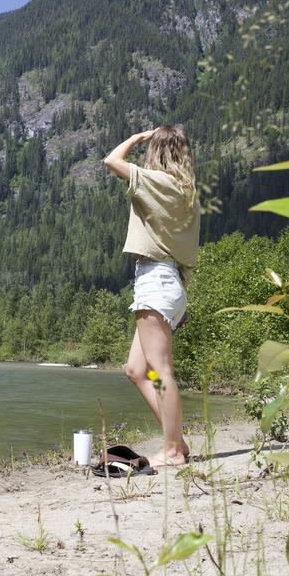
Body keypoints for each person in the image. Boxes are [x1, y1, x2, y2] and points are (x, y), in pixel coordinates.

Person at [102, 126, 199, 467]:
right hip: (171, 283)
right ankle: (178, 441)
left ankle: (172, 451)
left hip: (156, 281)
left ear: (156, 151)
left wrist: (138, 138)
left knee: (161, 371)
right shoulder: (187, 193)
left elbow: (112, 160)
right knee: (137, 370)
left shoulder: (157, 182)